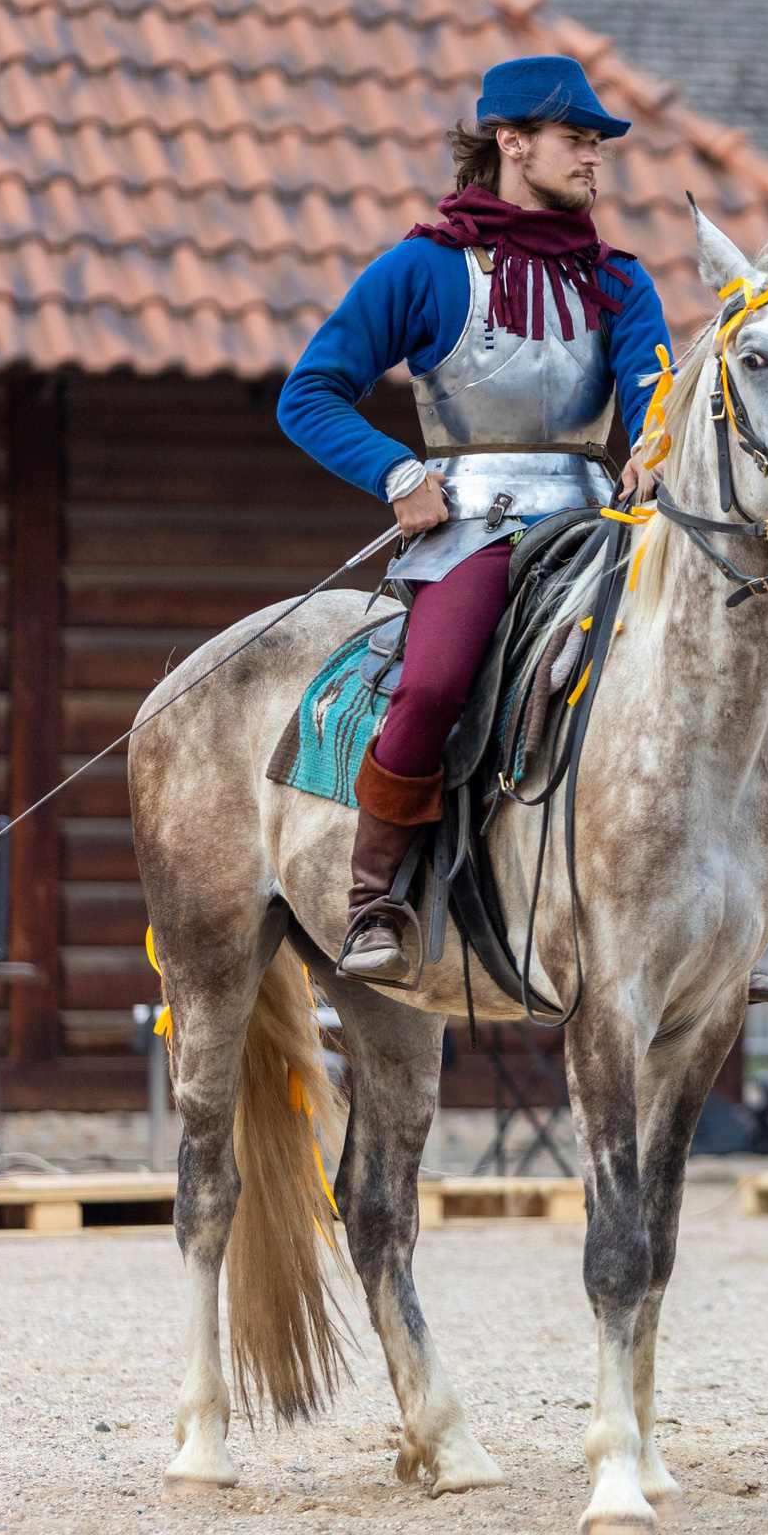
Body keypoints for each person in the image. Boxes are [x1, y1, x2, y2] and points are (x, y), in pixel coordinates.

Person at [278, 56, 672, 983]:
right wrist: (396, 471)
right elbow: (310, 393)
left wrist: (656, 447)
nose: (593, 158)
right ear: (512, 142)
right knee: (432, 686)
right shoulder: (421, 268)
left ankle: (740, 906)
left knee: (746, 677)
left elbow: (654, 395)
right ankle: (374, 897)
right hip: (471, 526)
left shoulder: (620, 281)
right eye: (577, 140)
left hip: (593, 525)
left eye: (597, 144)